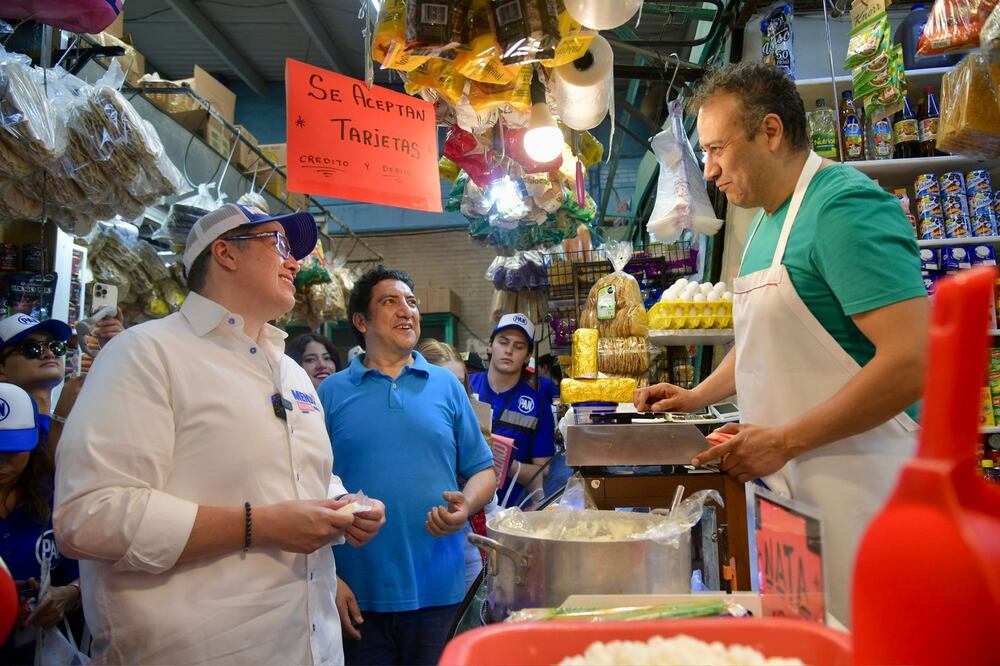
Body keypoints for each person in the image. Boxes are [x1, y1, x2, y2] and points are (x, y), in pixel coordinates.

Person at [635, 62, 928, 625]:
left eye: (718, 148)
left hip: (864, 495)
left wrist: (786, 440)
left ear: (770, 131)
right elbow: (765, 340)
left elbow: (912, 362)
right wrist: (697, 398)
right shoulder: (766, 224)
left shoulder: (843, 207)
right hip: (792, 497)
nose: (712, 171)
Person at [53, 203, 385, 664]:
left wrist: (343, 504)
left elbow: (299, 477)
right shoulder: (147, 353)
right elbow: (88, 516)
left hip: (309, 646)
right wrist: (259, 525)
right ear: (226, 253)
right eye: (280, 245)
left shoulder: (291, 371)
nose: (295, 262)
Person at [318, 267, 495, 666]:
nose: (406, 311)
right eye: (389, 301)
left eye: (411, 302)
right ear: (361, 321)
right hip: (359, 594)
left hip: (440, 588)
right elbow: (308, 486)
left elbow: (483, 470)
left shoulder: (445, 385)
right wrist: (330, 579)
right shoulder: (330, 393)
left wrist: (465, 506)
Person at [0, 383, 80, 665]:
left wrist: (69, 594)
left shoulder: (57, 497)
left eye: (11, 452)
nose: (0, 464)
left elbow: (87, 573)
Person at [416, 339, 496, 591]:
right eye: (446, 383)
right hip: (424, 542)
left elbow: (488, 488)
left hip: (469, 541)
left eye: (460, 383)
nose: (455, 393)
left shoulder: (475, 420)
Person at [469, 314, 555, 508]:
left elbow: (543, 470)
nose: (508, 351)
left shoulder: (538, 405)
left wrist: (505, 464)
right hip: (463, 503)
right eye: (503, 342)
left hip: (510, 511)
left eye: (519, 347)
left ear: (527, 357)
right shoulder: (464, 387)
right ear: (490, 345)